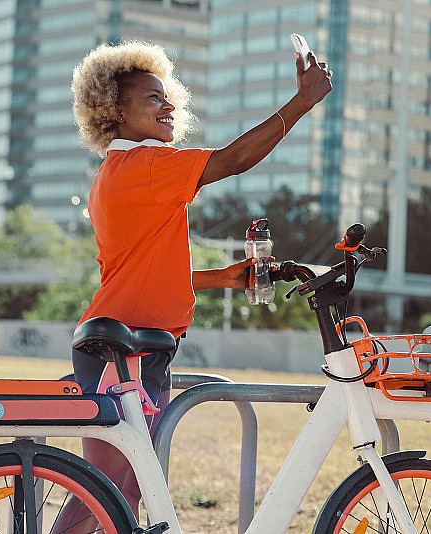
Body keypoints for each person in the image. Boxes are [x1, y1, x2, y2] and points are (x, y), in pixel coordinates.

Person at [60, 40, 332, 530]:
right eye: (152, 99)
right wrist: (304, 101)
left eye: (168, 98)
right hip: (125, 349)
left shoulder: (120, 173)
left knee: (122, 491)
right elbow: (233, 160)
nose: (167, 107)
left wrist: (220, 278)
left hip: (134, 342)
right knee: (103, 491)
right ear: (115, 112)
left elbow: (137, 270)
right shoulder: (143, 167)